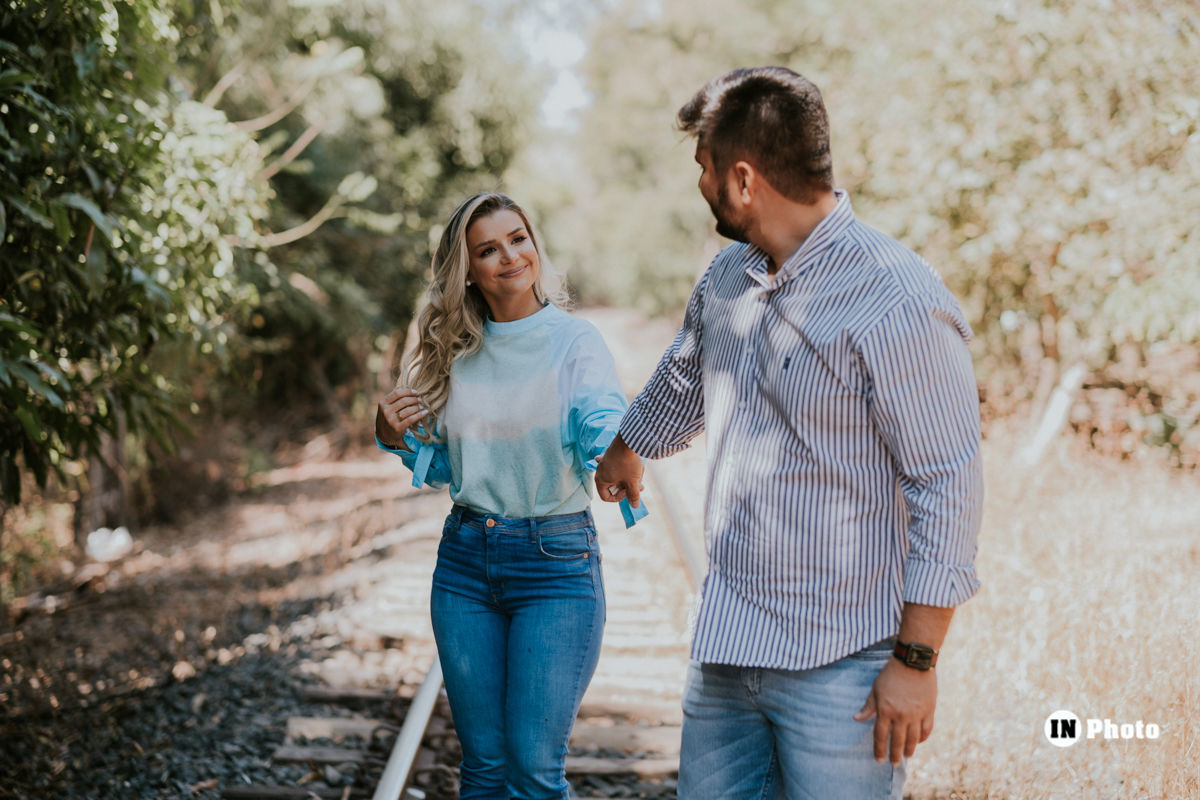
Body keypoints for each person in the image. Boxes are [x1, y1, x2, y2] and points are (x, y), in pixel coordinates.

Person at [595, 67, 984, 799]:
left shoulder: (895, 298)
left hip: (844, 667)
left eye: (704, 169)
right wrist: (628, 445)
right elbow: (684, 378)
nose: (701, 186)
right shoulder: (728, 278)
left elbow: (947, 486)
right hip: (729, 648)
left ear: (743, 180)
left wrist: (917, 661)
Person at [375, 191, 643, 800]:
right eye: (488, 249)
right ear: (466, 269)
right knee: (484, 768)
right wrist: (390, 435)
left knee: (532, 770)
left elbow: (599, 414)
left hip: (554, 567)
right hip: (466, 563)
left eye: (517, 239)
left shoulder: (575, 341)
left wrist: (612, 452)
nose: (509, 257)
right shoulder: (455, 351)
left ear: (534, 242)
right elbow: (446, 462)